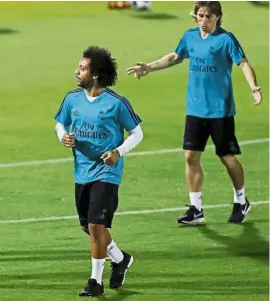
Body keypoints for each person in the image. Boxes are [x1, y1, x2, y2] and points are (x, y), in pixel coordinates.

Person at [126, 1, 262, 225]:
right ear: (195, 17)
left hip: (220, 110)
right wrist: (149, 67)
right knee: (190, 156)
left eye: (209, 16)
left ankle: (241, 201)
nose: (204, 20)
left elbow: (243, 64)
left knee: (227, 158)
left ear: (218, 17)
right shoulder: (190, 37)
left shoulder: (226, 40)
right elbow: (175, 57)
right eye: (201, 16)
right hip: (195, 109)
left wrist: (253, 87)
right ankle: (196, 209)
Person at [54, 46, 143, 296]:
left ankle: (96, 282)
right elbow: (60, 123)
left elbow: (137, 133)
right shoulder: (72, 98)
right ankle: (120, 258)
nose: (77, 72)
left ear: (95, 74)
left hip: (106, 172)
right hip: (81, 171)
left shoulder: (116, 103)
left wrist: (118, 152)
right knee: (90, 227)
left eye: (82, 68)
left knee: (95, 226)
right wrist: (63, 136)